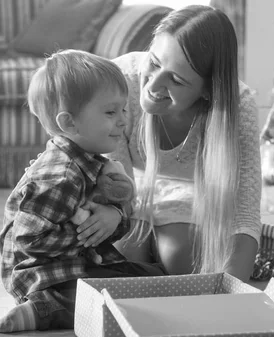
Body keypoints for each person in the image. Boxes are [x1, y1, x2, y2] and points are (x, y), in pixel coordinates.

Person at [0, 49, 166, 333]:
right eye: (110, 112)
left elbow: (112, 217)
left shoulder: (92, 162)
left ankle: (58, 303)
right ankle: (41, 309)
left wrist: (114, 214)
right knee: (110, 299)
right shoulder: (61, 177)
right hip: (45, 277)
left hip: (77, 264)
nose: (123, 120)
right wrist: (85, 233)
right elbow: (27, 240)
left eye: (123, 109)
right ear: (68, 123)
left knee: (155, 279)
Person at [101, 4, 262, 280]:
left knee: (183, 259)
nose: (152, 86)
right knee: (124, 257)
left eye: (175, 80)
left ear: (208, 90)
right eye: (153, 63)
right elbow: (114, 190)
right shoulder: (118, 83)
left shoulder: (238, 105)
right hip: (126, 189)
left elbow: (244, 212)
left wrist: (234, 294)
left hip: (191, 196)